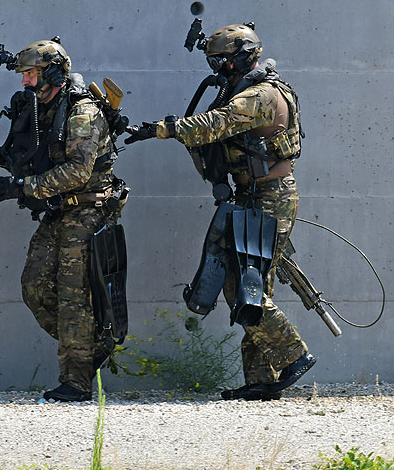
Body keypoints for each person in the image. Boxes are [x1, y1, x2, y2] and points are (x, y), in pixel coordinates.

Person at [125, 23, 315, 401]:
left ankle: (295, 353)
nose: (216, 67)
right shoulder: (242, 89)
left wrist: (162, 130)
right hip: (251, 195)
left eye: (221, 60)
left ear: (242, 58)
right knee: (252, 282)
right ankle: (262, 379)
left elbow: (215, 124)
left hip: (268, 196)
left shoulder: (260, 95)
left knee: (241, 282)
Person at [0, 37, 128, 402]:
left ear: (51, 73)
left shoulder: (83, 112)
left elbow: (78, 170)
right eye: (24, 75)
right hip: (58, 210)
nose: (24, 82)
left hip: (88, 209)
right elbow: (37, 154)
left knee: (73, 295)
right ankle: (92, 345)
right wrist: (1, 158)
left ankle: (76, 381)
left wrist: (24, 187)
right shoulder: (40, 107)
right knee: (34, 287)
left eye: (30, 74)